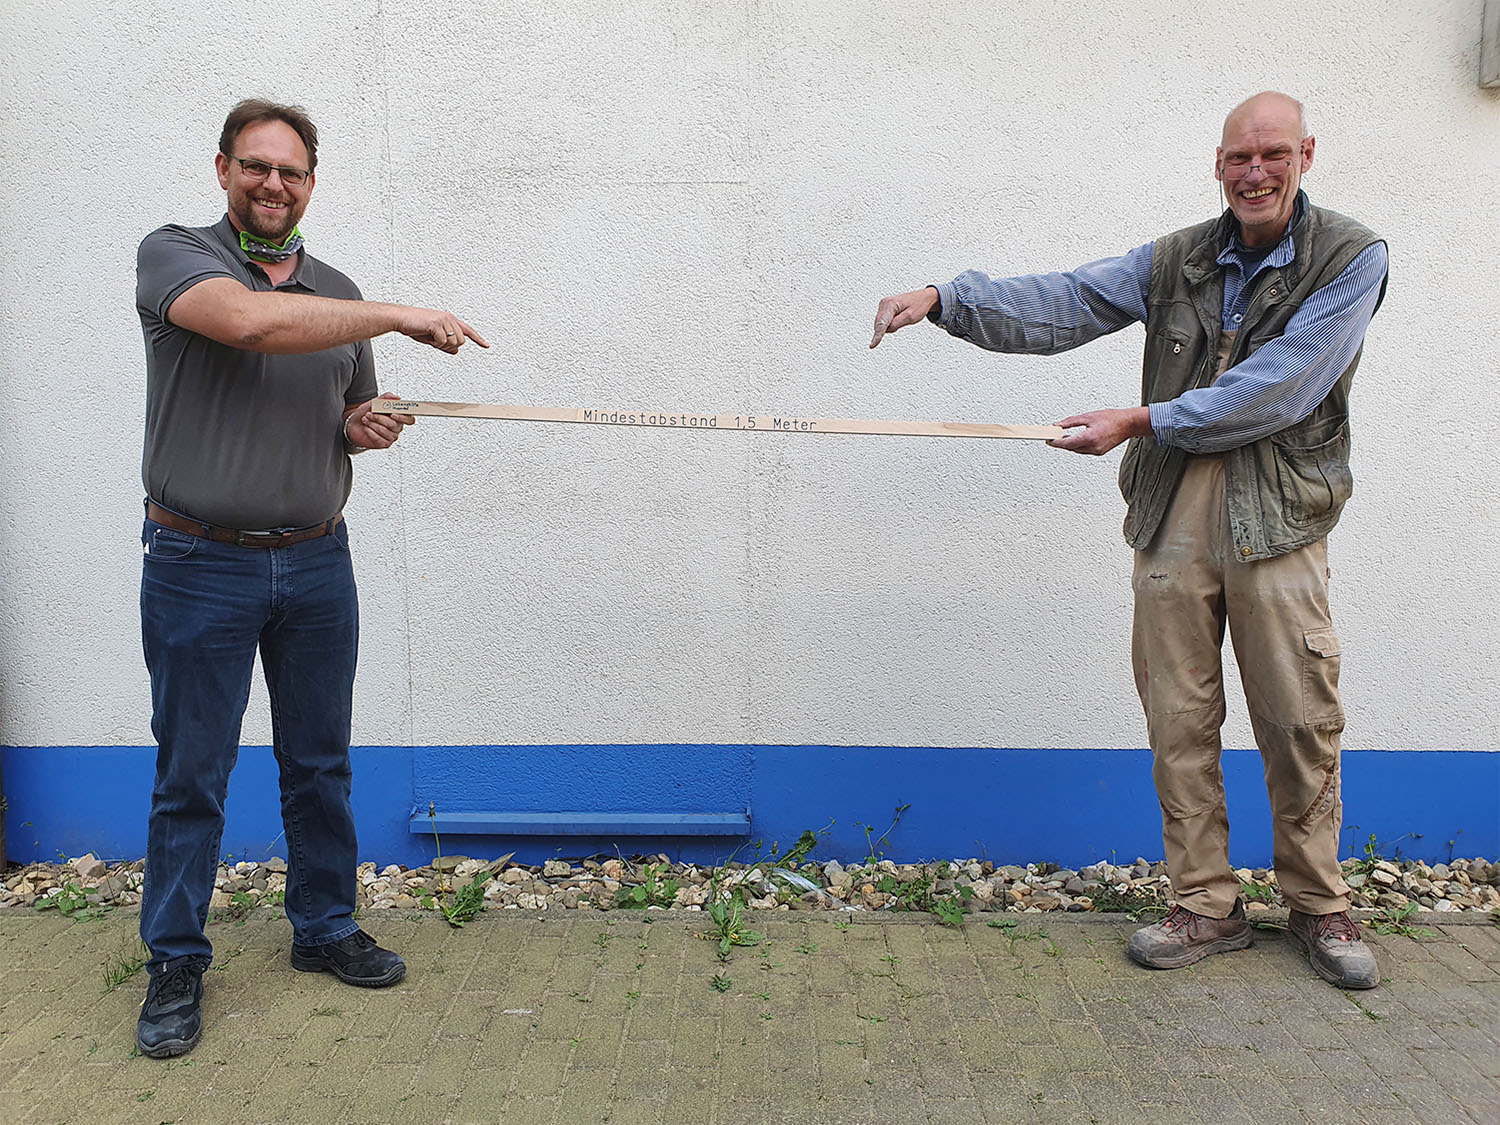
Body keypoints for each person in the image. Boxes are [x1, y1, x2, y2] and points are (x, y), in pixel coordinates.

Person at [870, 91, 1387, 989]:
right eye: (1238, 158)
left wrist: (1143, 418)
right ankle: (1205, 904)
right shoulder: (1177, 258)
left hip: (1280, 516)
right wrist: (946, 298)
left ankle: (1317, 901)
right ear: (1218, 165)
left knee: (1299, 715)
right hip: (1173, 511)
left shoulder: (1353, 256)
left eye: (1273, 154)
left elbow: (1281, 385)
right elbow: (1067, 301)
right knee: (1178, 714)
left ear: (1306, 153)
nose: (1255, 172)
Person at [133, 98, 487, 1058]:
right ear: (223, 171)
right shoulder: (175, 256)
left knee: (320, 764)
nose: (272, 185)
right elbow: (250, 327)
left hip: (317, 560)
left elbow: (350, 410)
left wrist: (362, 429)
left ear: (311, 184)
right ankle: (174, 961)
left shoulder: (336, 291)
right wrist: (405, 312)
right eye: (256, 167)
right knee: (192, 772)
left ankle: (325, 928)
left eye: (290, 172)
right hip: (198, 561)